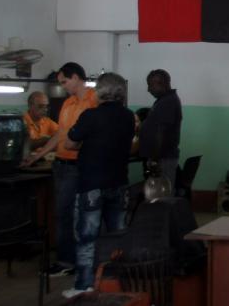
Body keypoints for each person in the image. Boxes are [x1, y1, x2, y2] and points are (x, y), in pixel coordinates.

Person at [61, 73, 135, 298]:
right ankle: (115, 282)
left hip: (91, 183)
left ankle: (84, 286)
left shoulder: (90, 115)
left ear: (99, 92)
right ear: (122, 93)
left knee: (87, 237)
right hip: (119, 183)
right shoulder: (128, 116)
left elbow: (70, 143)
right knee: (117, 235)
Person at [25, 62, 97, 277]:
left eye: (64, 82)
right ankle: (68, 260)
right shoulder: (67, 103)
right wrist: (37, 155)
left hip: (80, 166)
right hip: (62, 165)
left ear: (76, 77)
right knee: (63, 215)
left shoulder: (94, 100)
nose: (63, 86)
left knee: (81, 215)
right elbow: (60, 134)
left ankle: (74, 261)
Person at [138, 69, 182, 188]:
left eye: (150, 85)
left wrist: (155, 160)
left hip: (163, 159)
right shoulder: (165, 100)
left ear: (161, 83)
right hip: (163, 158)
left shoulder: (167, 102)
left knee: (162, 197)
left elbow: (161, 132)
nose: (148, 89)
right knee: (160, 195)